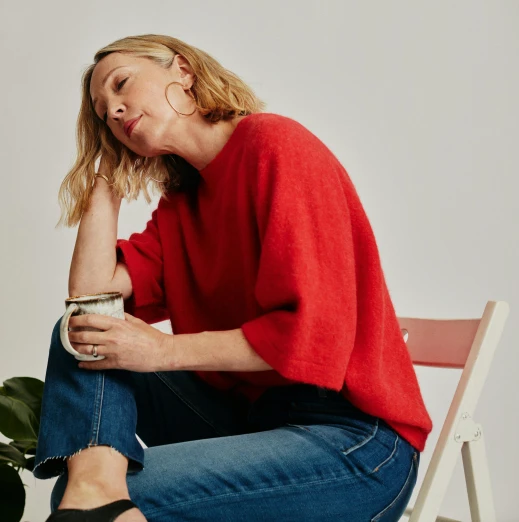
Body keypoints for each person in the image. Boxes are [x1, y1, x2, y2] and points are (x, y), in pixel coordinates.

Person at [32, 34, 433, 522]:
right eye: (102, 114)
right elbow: (91, 298)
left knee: (126, 501)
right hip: (254, 422)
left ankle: (99, 500)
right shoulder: (184, 204)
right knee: (81, 334)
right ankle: (96, 489)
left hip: (353, 445)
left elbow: (315, 341)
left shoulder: (275, 146)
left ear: (182, 70)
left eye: (122, 85)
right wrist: (104, 183)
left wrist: (161, 351)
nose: (114, 111)